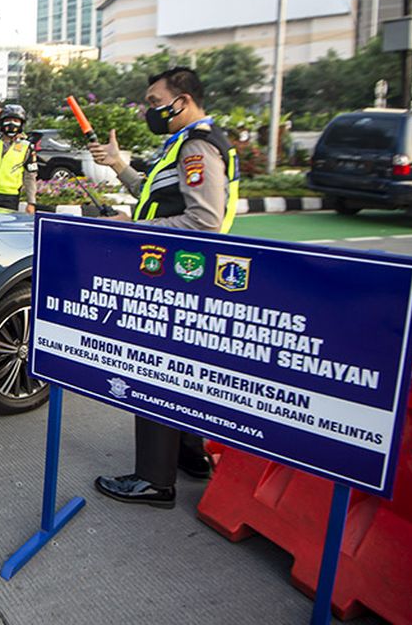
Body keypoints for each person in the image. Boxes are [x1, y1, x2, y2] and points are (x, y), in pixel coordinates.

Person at [88, 66, 240, 509]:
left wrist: (134, 227)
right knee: (181, 370)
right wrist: (119, 165)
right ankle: (188, 456)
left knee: (155, 370)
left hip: (181, 274)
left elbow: (204, 220)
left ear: (184, 101)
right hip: (181, 273)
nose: (150, 110)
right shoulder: (180, 145)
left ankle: (154, 479)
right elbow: (153, 194)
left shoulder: (197, 146)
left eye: (155, 102)